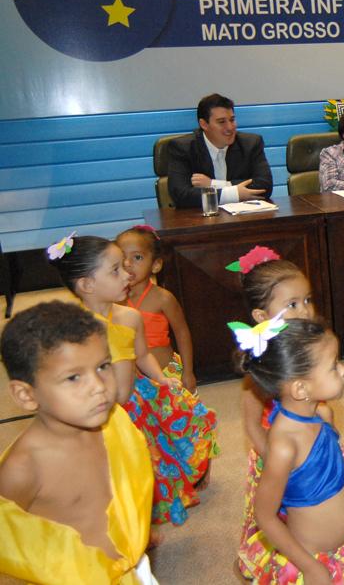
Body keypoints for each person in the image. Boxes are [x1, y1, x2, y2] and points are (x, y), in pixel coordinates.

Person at [230, 246, 344, 580]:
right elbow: (252, 428)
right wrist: (274, 458)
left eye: (307, 300)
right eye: (292, 304)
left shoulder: (317, 374)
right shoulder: (263, 371)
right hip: (282, 458)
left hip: (313, 454)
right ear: (261, 316)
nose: (304, 310)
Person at [49, 233, 219, 526]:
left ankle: (142, 518)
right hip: (102, 411)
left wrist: (162, 379)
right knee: (107, 471)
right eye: (115, 270)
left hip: (134, 406)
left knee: (147, 460)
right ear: (87, 285)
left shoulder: (129, 317)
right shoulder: (73, 327)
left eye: (125, 267)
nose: (126, 274)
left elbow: (142, 356)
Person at [0, 302, 157, 584]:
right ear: (26, 395)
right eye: (73, 377)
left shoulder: (113, 422)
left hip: (133, 569)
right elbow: (7, 541)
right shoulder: (24, 467)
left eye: (103, 366)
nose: (98, 386)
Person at [238, 318, 344, 584]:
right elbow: (264, 516)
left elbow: (336, 472)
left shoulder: (321, 416)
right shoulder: (284, 446)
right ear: (301, 388)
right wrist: (309, 566)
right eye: (334, 366)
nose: (343, 370)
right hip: (312, 558)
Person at [117, 225, 196, 392]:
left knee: (176, 415)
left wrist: (188, 372)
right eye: (122, 257)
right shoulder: (113, 300)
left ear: (156, 265)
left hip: (167, 373)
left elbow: (182, 333)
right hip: (131, 378)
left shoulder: (163, 298)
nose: (128, 264)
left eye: (137, 257)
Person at [167, 93, 273, 209]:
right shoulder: (183, 148)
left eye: (232, 120)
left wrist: (212, 184)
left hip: (242, 219)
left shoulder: (250, 144)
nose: (230, 127)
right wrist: (235, 193)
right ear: (204, 124)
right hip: (199, 221)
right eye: (222, 122)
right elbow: (181, 195)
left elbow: (265, 186)